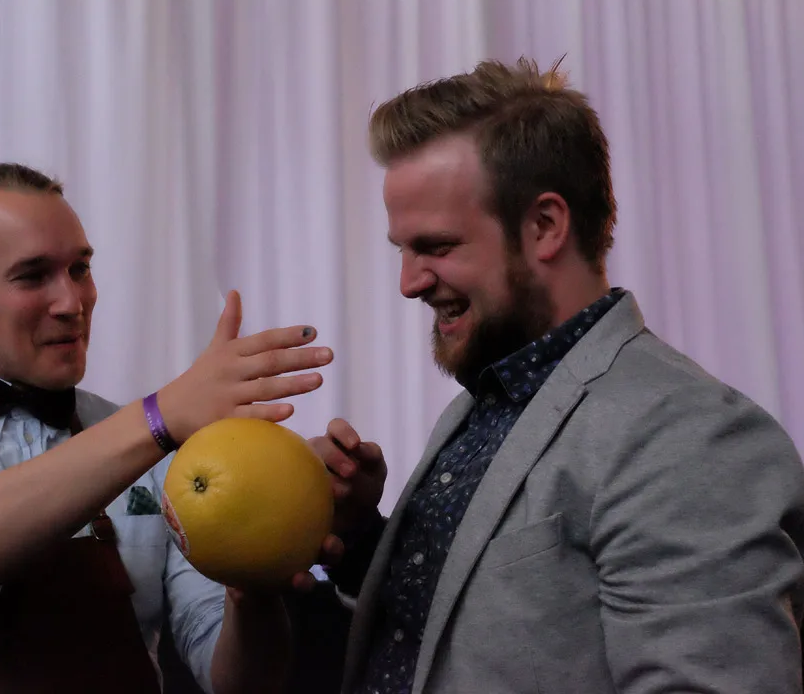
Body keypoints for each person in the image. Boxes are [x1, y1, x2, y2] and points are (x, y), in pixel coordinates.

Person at [310, 58, 804, 693]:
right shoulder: (486, 404)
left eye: (436, 247)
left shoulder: (691, 437)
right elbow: (464, 635)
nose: (409, 283)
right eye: (402, 250)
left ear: (545, 227)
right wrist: (359, 539)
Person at [0, 162, 338, 694]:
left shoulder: (158, 452)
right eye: (32, 275)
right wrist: (160, 415)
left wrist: (254, 582)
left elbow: (236, 682)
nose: (72, 303)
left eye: (80, 269)